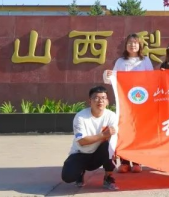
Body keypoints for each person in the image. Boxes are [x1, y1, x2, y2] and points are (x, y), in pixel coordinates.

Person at [103, 33, 153, 173]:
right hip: (124, 102)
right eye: (130, 43)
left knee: (138, 132)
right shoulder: (120, 61)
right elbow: (111, 80)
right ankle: (124, 161)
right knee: (124, 130)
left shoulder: (145, 61)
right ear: (126, 46)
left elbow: (151, 79)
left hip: (140, 102)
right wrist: (107, 75)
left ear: (140, 45)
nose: (133, 45)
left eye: (135, 43)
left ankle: (137, 161)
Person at [61, 86, 119, 191]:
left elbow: (114, 137)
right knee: (68, 177)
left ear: (107, 101)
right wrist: (103, 135)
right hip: (80, 153)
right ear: (90, 101)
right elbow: (82, 141)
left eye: (103, 98)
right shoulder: (80, 117)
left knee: (111, 146)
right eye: (96, 98)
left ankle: (108, 177)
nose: (100, 101)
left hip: (98, 154)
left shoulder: (111, 116)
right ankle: (80, 172)